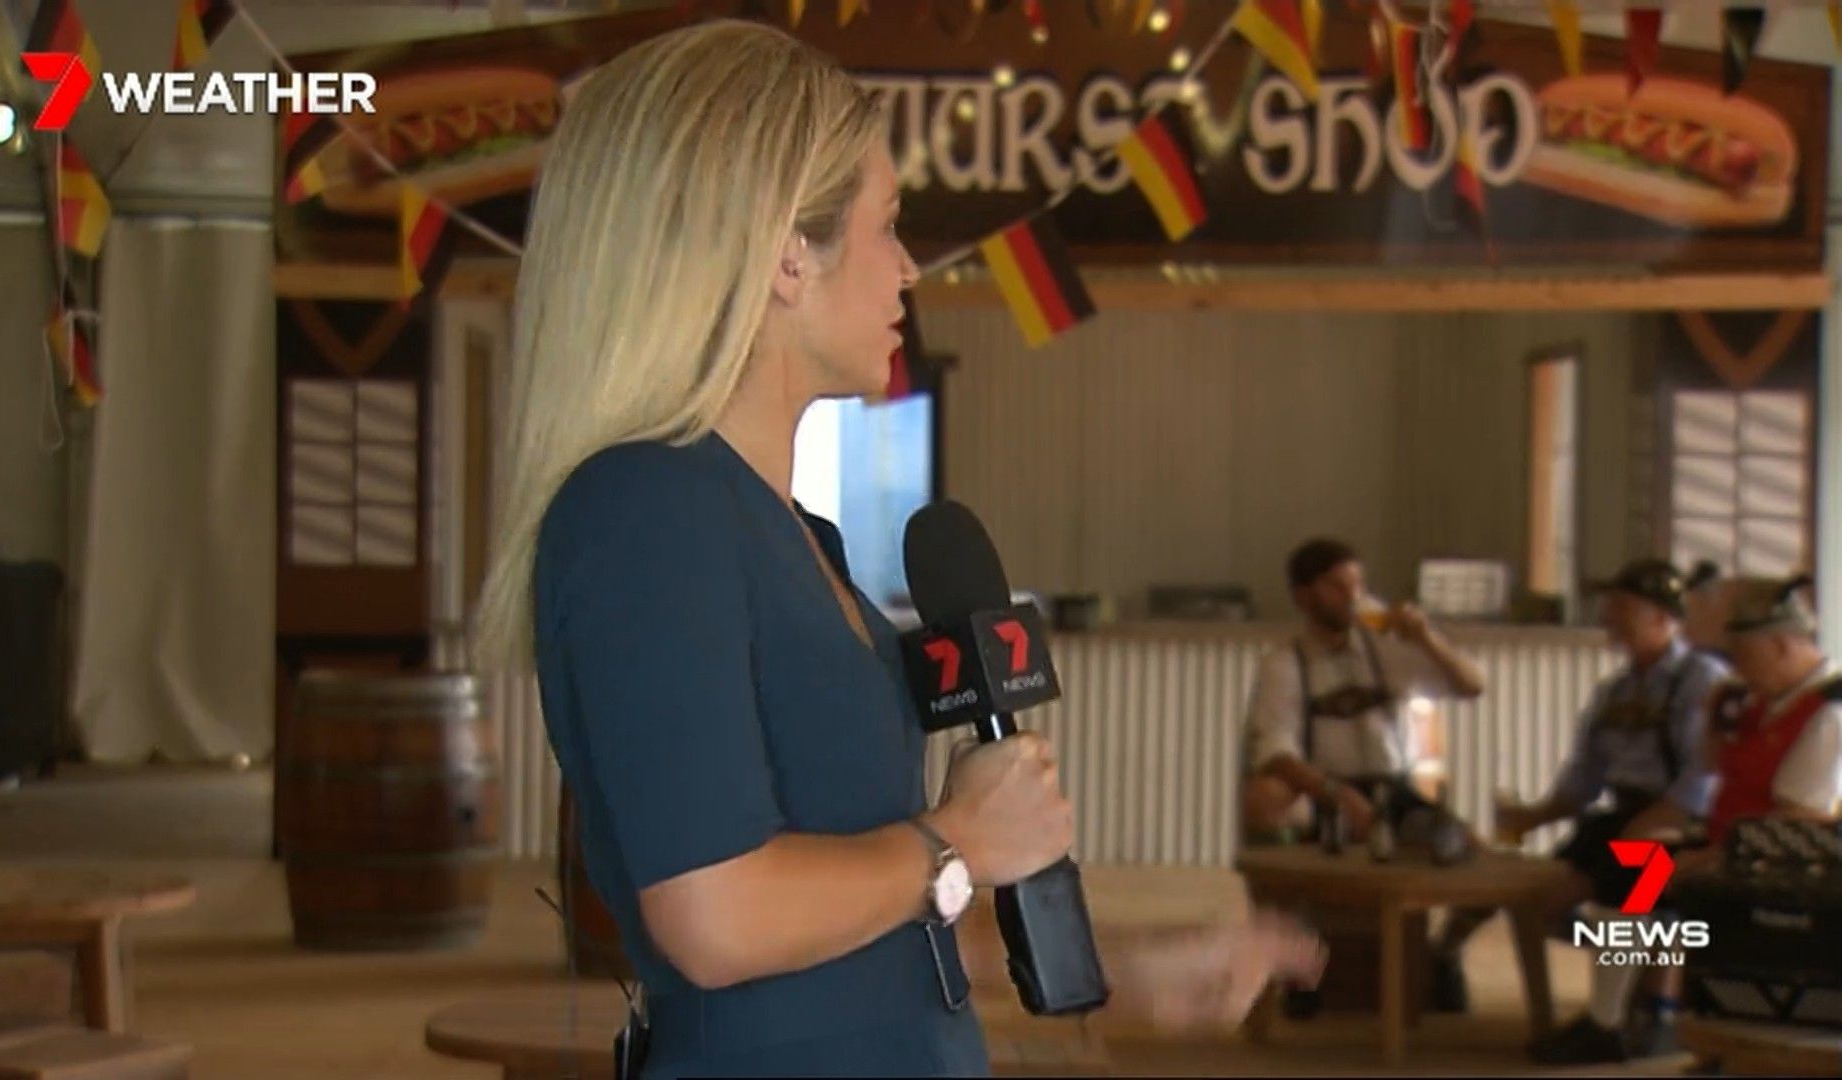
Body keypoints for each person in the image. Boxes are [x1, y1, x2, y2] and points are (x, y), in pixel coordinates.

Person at [471, 21, 1321, 1078]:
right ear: (787, 253)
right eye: (888, 225)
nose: (911, 268)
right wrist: (958, 837)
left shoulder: (797, 535)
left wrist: (1131, 971)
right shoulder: (644, 508)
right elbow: (715, 915)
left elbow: (862, 929)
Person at [1527, 575, 1841, 1065]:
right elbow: (1717, 770)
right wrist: (1715, 721)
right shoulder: (1766, 700)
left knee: (1642, 877)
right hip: (1726, 845)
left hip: (1779, 865)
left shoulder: (1828, 712)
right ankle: (1617, 1014)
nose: (1736, 669)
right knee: (1624, 865)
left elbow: (1801, 817)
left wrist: (1706, 857)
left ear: (1781, 646)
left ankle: (1631, 1015)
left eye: (1744, 656)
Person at [1452, 560, 1728, 1062]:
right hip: (1620, 817)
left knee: (1636, 895)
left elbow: (1705, 774)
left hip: (1681, 825)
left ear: (1663, 617)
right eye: (1610, 606)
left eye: (1624, 607)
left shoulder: (1701, 680)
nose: (1610, 618)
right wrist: (1534, 816)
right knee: (1545, 904)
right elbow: (1585, 775)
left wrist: (1654, 824)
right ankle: (1632, 994)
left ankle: (1627, 1018)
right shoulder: (1615, 691)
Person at [1240, 538, 1486, 1012]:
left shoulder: (1386, 647)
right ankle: (1295, 959)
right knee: (1265, 797)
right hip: (1324, 791)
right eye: (1338, 586)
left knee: (1475, 854)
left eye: (1358, 585)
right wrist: (1336, 794)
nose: (1353, 596)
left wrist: (1426, 638)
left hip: (1392, 788)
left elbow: (1472, 685)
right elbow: (1274, 750)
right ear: (1304, 596)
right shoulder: (1285, 663)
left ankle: (1444, 953)